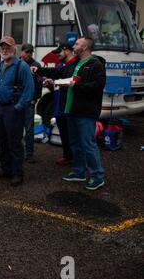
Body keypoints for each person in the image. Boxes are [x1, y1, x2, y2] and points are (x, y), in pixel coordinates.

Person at [32, 36, 106, 190]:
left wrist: (75, 85)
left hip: (85, 113)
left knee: (88, 144)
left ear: (85, 47)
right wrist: (38, 69)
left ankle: (97, 176)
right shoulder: (74, 64)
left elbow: (97, 86)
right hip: (70, 111)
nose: (74, 46)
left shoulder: (96, 65)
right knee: (75, 144)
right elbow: (57, 72)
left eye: (77, 44)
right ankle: (78, 172)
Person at [0, 36, 34, 187]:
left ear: (14, 48)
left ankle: (17, 173)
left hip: (13, 109)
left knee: (14, 143)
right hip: (0, 108)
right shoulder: (0, 64)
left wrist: (18, 108)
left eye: (8, 47)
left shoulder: (21, 66)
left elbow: (29, 91)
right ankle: (6, 169)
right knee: (2, 141)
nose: (5, 50)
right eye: (2, 47)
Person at [47, 43, 76, 165]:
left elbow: (73, 84)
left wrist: (57, 82)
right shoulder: (60, 65)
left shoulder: (75, 65)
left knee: (73, 135)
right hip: (59, 105)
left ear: (68, 51)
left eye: (59, 52)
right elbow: (57, 85)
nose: (57, 55)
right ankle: (67, 156)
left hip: (69, 107)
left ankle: (78, 161)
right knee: (64, 133)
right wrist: (50, 83)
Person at [20, 43, 42, 164]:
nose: (28, 54)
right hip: (17, 101)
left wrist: (35, 98)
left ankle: (29, 154)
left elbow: (38, 85)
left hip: (29, 102)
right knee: (16, 128)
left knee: (29, 129)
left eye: (30, 52)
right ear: (21, 52)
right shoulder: (16, 63)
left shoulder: (36, 65)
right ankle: (18, 153)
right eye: (26, 52)